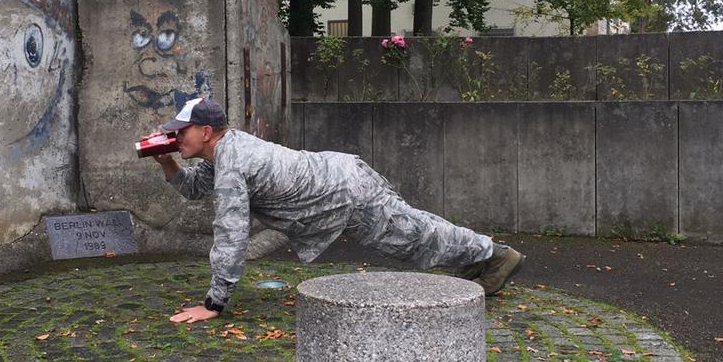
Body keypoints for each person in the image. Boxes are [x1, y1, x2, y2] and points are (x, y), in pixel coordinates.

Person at [152, 97, 524, 325]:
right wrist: (167, 163)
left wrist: (214, 303)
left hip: (345, 193)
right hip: (338, 183)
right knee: (411, 233)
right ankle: (480, 256)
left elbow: (231, 237)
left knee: (411, 235)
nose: (175, 137)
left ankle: (494, 254)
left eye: (180, 132)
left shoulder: (233, 161)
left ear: (205, 131)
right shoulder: (223, 153)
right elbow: (194, 188)